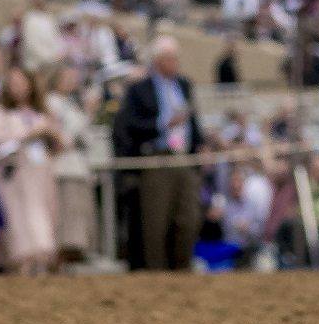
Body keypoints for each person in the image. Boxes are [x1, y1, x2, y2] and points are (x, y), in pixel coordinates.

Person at [117, 34, 204, 272]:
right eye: (170, 58)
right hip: (156, 158)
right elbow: (129, 126)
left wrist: (200, 143)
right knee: (156, 223)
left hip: (184, 157)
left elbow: (192, 121)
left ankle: (181, 270)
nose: (175, 63)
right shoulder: (139, 90)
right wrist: (163, 125)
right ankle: (156, 273)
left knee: (188, 219)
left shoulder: (184, 86)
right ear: (157, 60)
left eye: (176, 58)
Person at [0, 66, 64, 275]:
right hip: (14, 172)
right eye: (13, 83)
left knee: (44, 210)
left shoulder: (42, 111)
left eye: (21, 83)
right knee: (17, 214)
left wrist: (50, 133)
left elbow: (62, 142)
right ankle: (23, 258)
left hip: (40, 171)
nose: (17, 88)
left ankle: (44, 254)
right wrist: (30, 133)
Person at [45, 63, 98, 265]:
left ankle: (75, 255)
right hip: (62, 168)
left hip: (79, 167)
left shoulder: (72, 103)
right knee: (66, 218)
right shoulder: (51, 102)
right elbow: (63, 140)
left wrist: (87, 116)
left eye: (73, 77)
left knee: (79, 215)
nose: (71, 81)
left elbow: (85, 138)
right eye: (66, 77)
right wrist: (87, 114)